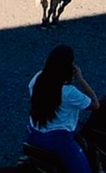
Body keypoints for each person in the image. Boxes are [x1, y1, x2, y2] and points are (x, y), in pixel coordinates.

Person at [25, 45, 100, 173]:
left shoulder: (37, 78)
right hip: (58, 141)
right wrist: (81, 79)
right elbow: (95, 104)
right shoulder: (69, 92)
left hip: (33, 134)